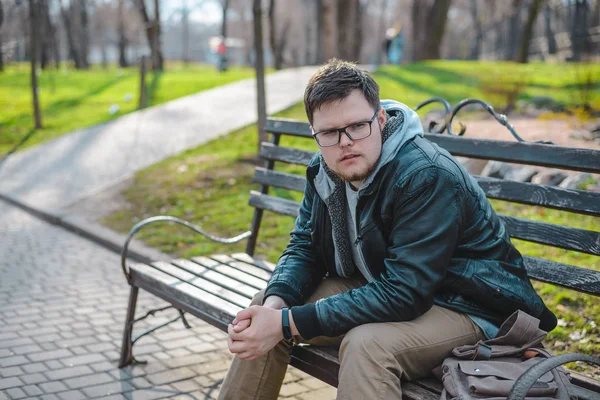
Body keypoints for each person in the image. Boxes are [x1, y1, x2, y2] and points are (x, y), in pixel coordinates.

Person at [218, 59, 557, 400]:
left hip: (468, 307)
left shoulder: (425, 174)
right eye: (329, 133)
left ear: (380, 119)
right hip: (389, 288)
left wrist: (288, 322)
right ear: (315, 134)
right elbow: (304, 248)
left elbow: (406, 291)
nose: (345, 142)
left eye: (357, 126)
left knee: (367, 346)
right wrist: (276, 311)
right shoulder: (324, 169)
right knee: (263, 311)